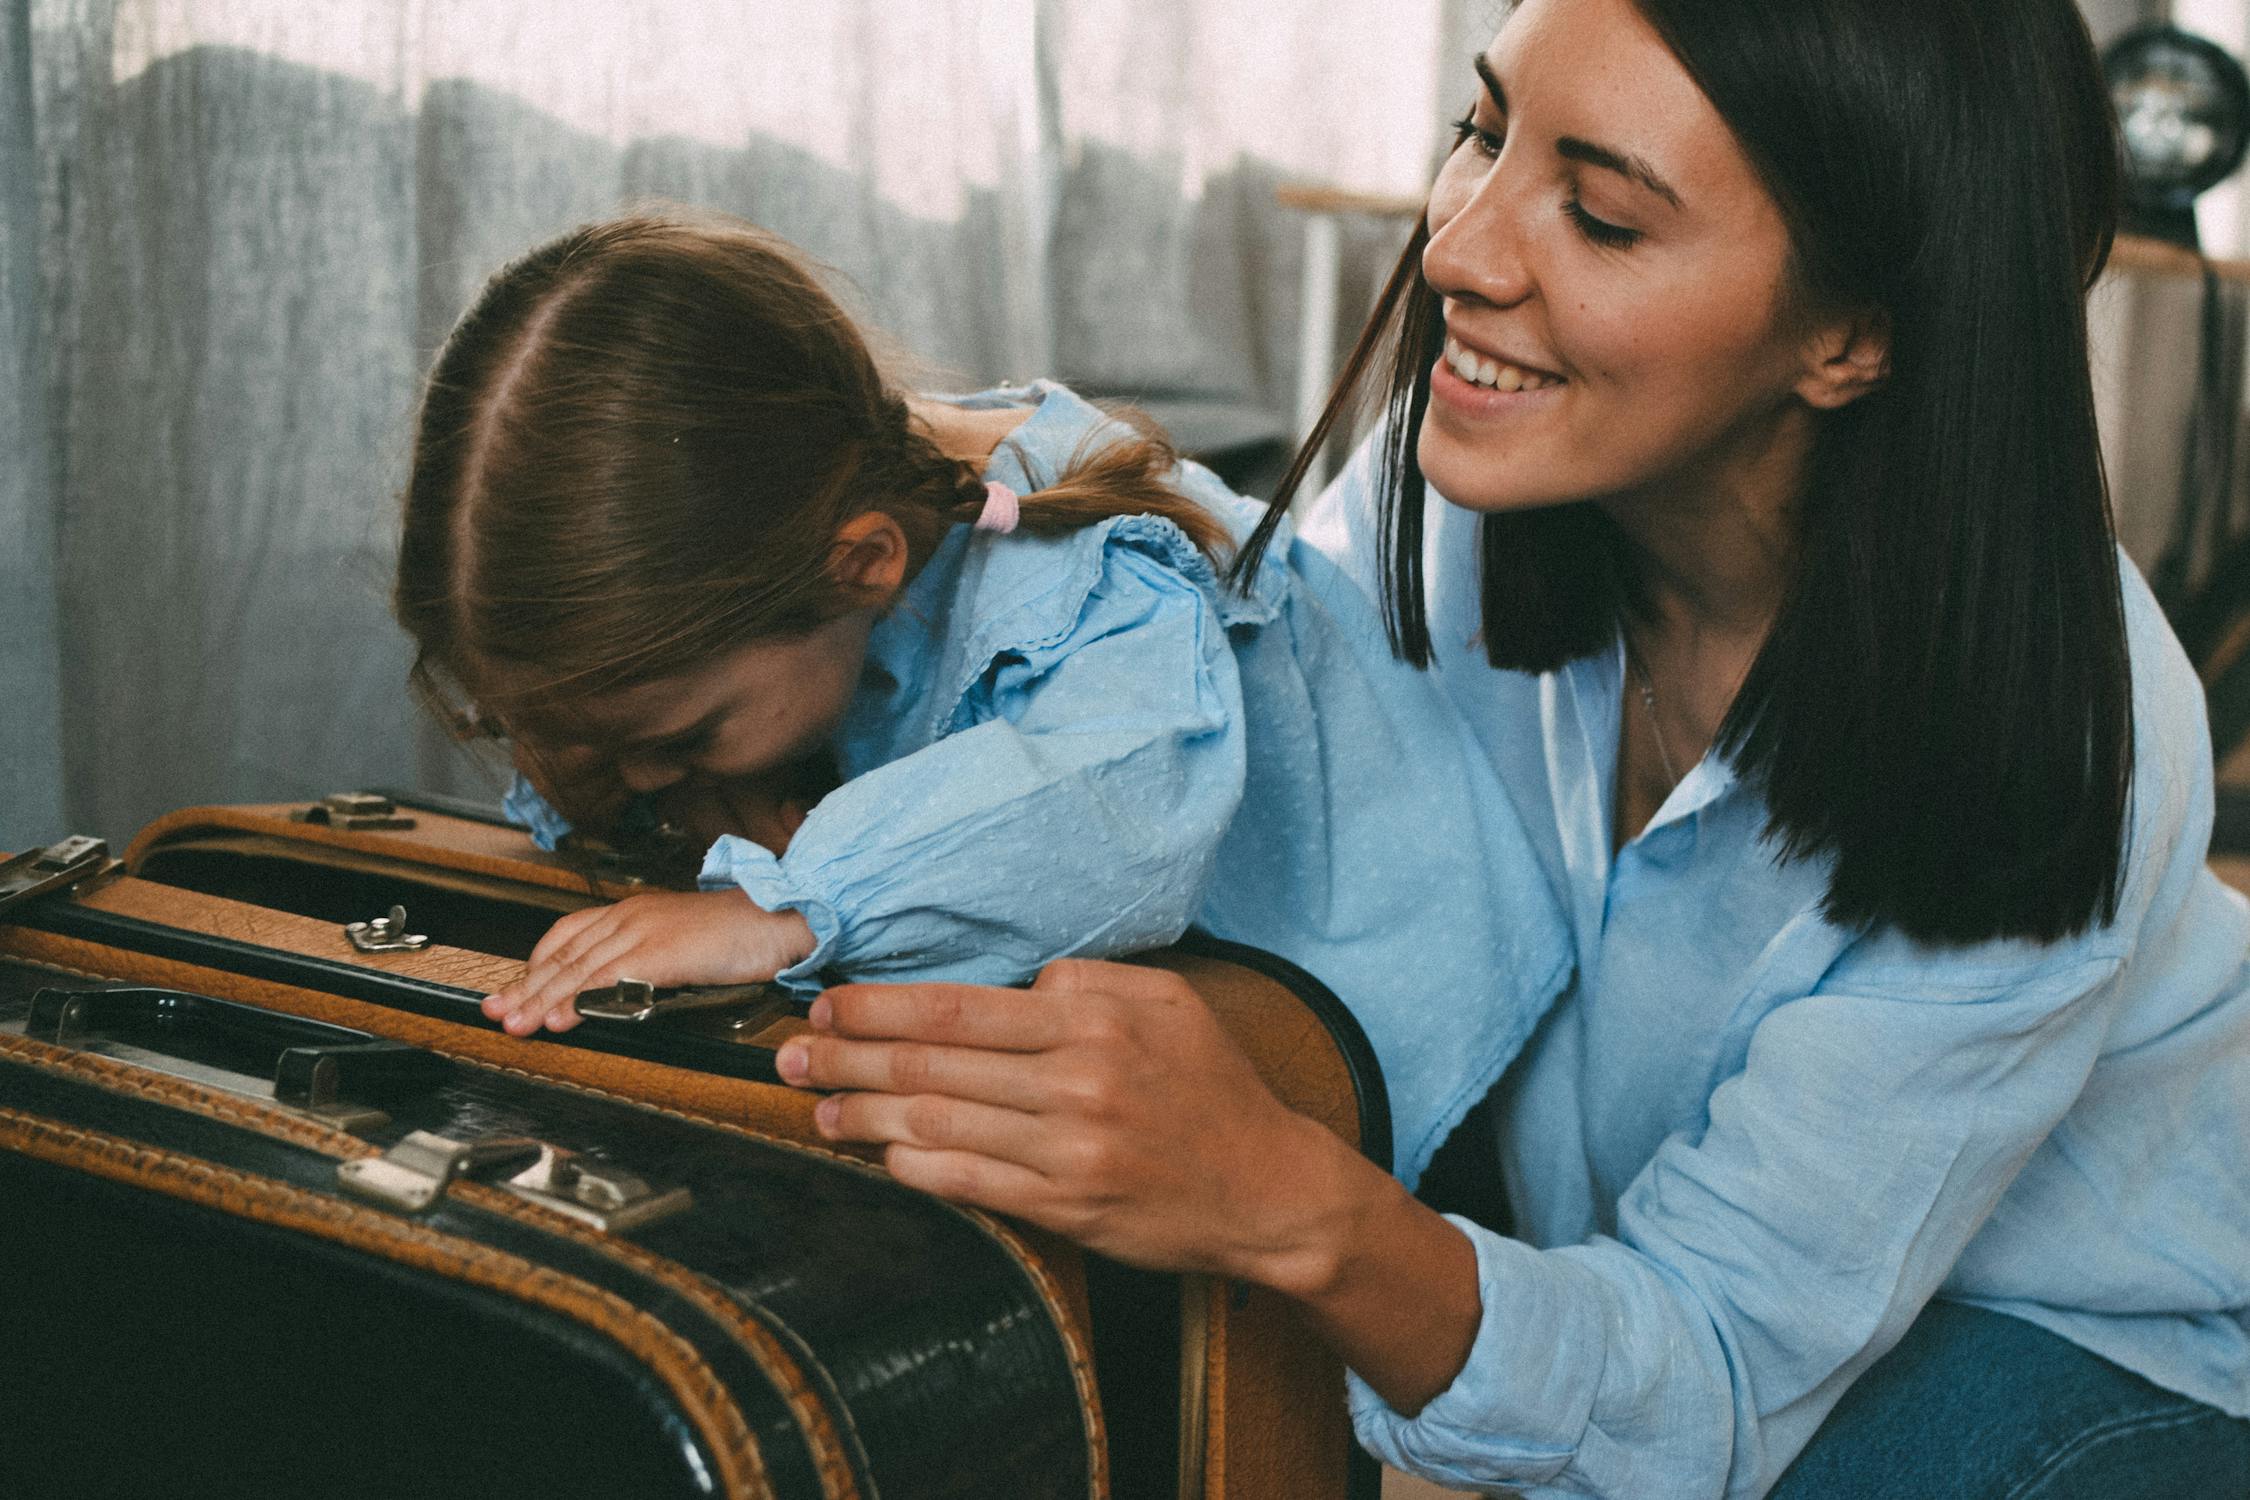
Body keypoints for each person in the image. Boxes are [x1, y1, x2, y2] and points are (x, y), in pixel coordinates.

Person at [767, 0, 2250, 1495]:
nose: (1457, 249)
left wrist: (1286, 1202)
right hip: (1663, 1282)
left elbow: (1708, 1387)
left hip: (2095, 1343)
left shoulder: (2055, 734)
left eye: (1600, 218)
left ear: (1851, 335)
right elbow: (1220, 710)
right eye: (1482, 131)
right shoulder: (1480, 485)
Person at [389, 211, 1572, 1190]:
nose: (653, 775)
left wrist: (788, 911)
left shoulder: (1094, 575)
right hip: (1214, 1011)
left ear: (862, 566)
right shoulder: (827, 527)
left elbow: (1116, 818)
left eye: (685, 738)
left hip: (1402, 1023)